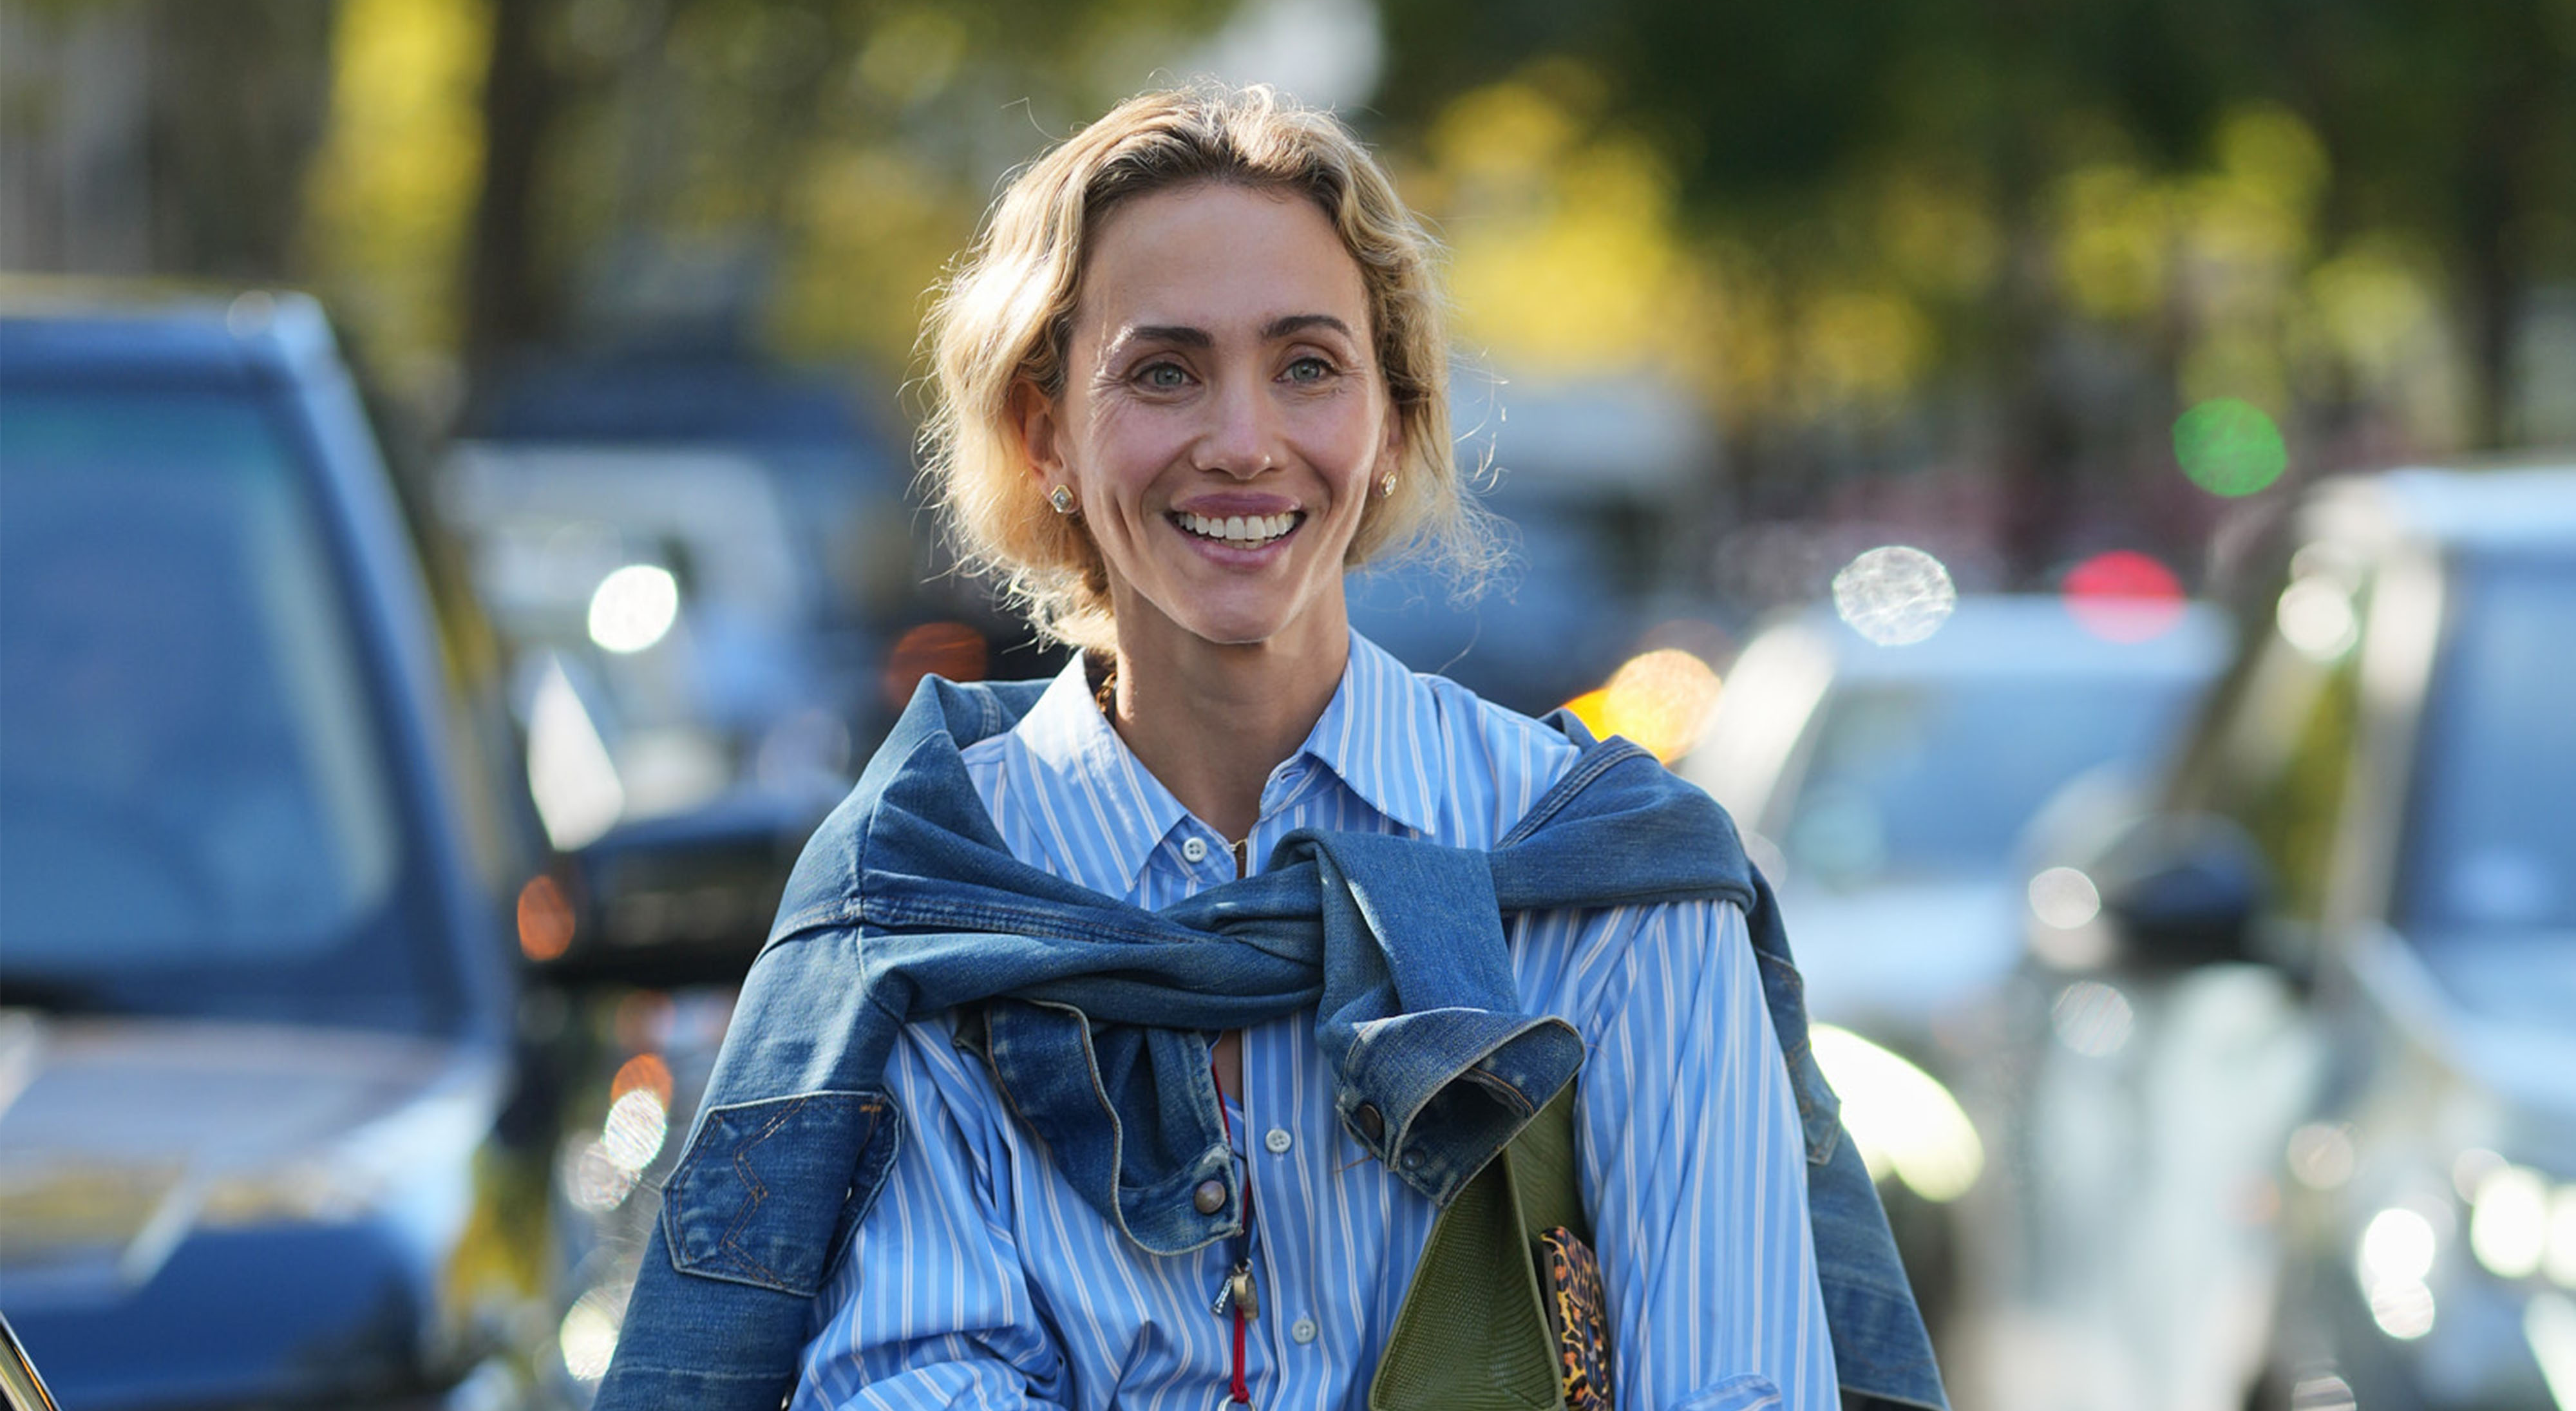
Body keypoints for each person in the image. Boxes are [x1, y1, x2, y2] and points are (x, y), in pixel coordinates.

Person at [595, 85, 1942, 1411]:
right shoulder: (933, 895)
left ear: (1393, 419)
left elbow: (1734, 1386)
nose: (1241, 443)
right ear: (1042, 428)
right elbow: (918, 1380)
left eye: (1306, 365)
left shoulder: (1614, 888)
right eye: (1163, 371)